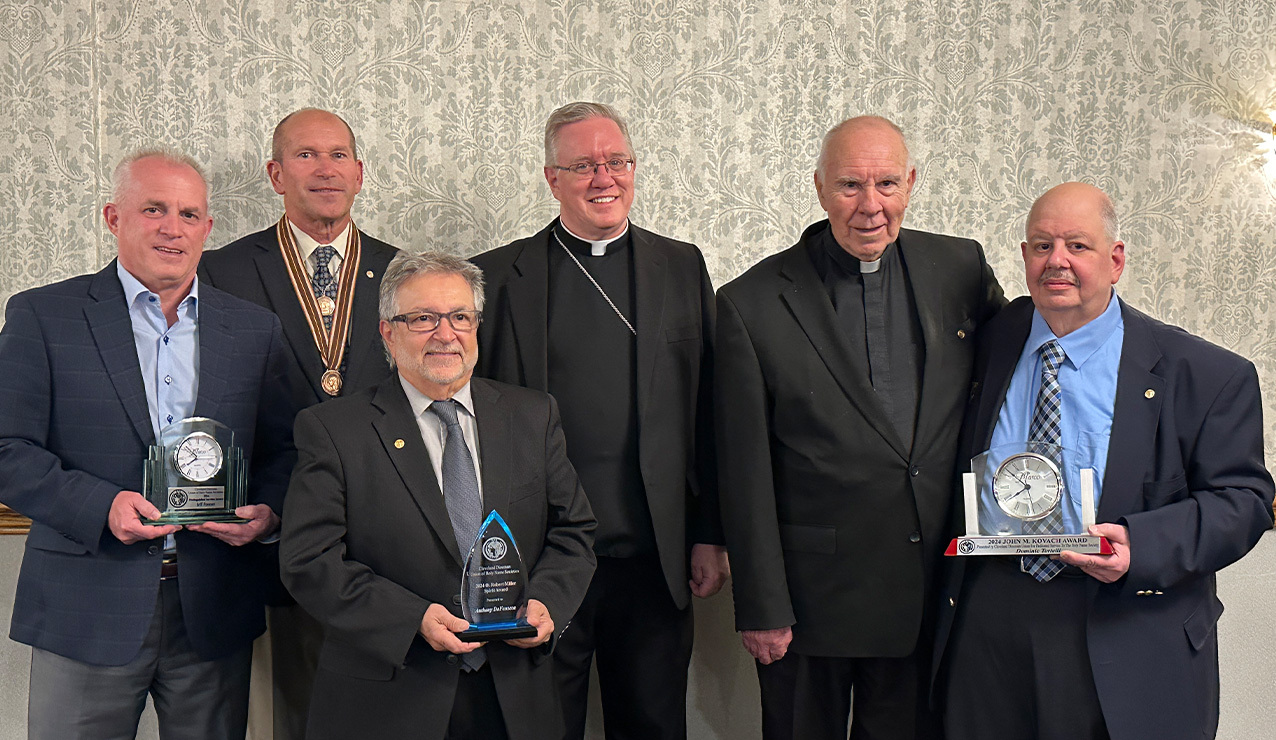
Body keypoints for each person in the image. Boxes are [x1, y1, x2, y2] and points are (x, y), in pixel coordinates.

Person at [934, 182, 1275, 740]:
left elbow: (1245, 500)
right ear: (1023, 258)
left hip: (1123, 623)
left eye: (1078, 246)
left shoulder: (1207, 375)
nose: (1057, 261)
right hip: (989, 623)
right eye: (1042, 246)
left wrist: (1143, 545)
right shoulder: (987, 344)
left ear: (1115, 260)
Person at [714, 115, 1005, 740]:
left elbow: (1010, 381)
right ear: (819, 187)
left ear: (912, 184)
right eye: (850, 185)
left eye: (887, 184)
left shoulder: (960, 266)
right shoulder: (751, 302)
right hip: (810, 602)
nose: (870, 206)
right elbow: (742, 469)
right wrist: (762, 606)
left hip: (929, 588)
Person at [0, 150, 295, 739]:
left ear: (208, 229)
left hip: (212, 607)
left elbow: (286, 452)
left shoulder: (253, 329)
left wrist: (267, 515)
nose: (173, 227)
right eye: (154, 209)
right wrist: (99, 506)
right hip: (86, 606)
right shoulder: (44, 315)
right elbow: (7, 447)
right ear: (114, 217)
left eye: (189, 214)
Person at [470, 101, 726, 739]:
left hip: (652, 556)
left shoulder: (682, 265)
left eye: (616, 161)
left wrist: (710, 531)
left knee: (653, 724)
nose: (603, 178)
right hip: (540, 557)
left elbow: (710, 411)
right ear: (552, 179)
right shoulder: (498, 277)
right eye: (583, 165)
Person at [279, 252, 597, 740]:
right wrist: (413, 620)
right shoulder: (333, 429)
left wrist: (546, 603)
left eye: (460, 317)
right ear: (388, 331)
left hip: (513, 693)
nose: (445, 334)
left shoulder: (532, 416)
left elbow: (574, 531)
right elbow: (309, 561)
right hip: (392, 695)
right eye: (423, 318)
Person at [198, 107, 399, 738]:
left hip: (389, 532)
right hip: (277, 530)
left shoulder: (405, 273)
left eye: (338, 155)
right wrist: (261, 504)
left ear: (360, 173)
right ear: (275, 173)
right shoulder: (221, 272)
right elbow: (210, 408)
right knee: (302, 710)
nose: (325, 169)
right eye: (306, 155)